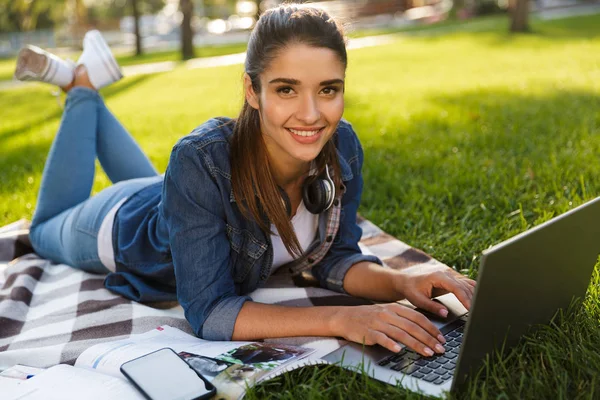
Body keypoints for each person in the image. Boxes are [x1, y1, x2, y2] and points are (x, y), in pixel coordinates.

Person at [17, 4, 476, 358]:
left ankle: (85, 86)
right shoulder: (200, 160)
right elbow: (210, 313)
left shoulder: (343, 147)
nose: (312, 115)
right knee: (42, 230)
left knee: (173, 183)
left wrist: (401, 282)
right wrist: (343, 320)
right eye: (286, 89)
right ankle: (78, 85)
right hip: (120, 226)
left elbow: (335, 258)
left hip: (176, 196)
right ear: (251, 91)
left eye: (328, 90)